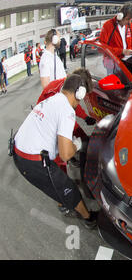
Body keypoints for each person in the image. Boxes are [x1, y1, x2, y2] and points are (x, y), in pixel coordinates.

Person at [12, 74, 98, 228]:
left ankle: (62, 202)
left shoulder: (51, 100)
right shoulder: (66, 110)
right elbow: (66, 154)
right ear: (80, 93)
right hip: (31, 161)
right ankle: (89, 218)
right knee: (69, 188)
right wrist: (77, 145)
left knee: (55, 182)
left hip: (19, 150)